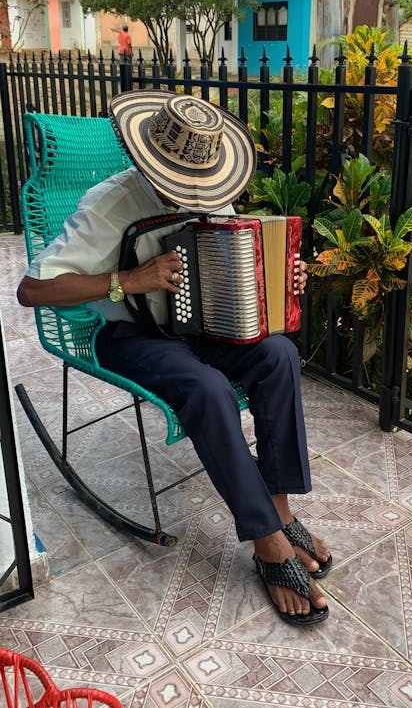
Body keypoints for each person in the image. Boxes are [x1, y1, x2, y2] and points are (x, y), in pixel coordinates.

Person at [17, 91, 332, 625]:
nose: (192, 194)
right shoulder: (110, 203)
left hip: (200, 326)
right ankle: (267, 542)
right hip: (128, 334)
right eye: (178, 181)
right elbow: (33, 290)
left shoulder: (212, 194)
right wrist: (127, 280)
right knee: (207, 389)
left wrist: (283, 285)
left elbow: (235, 273)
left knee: (279, 354)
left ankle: (279, 509)